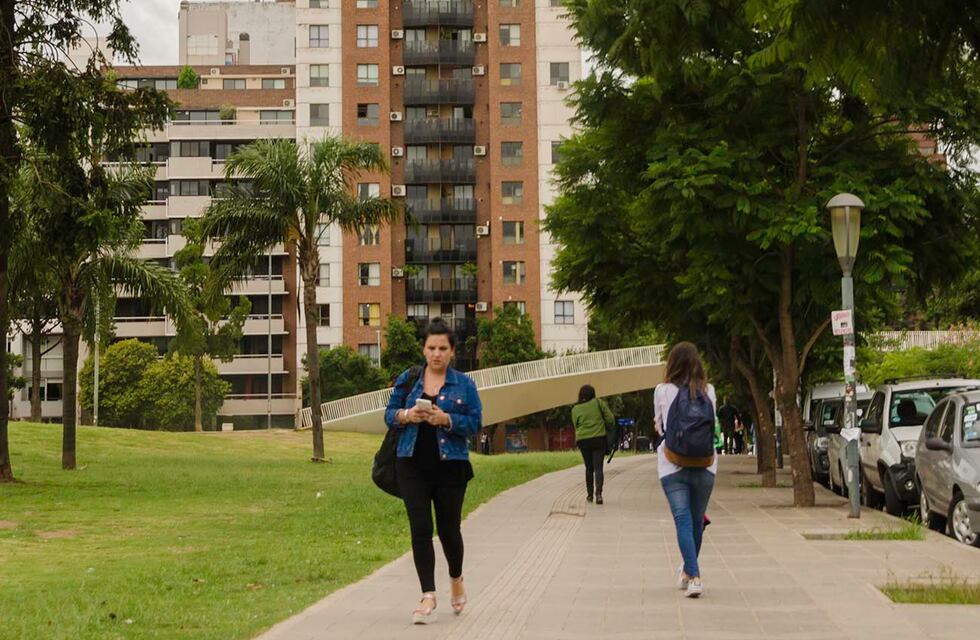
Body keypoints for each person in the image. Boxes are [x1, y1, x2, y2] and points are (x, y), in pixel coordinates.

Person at [384, 318, 483, 624]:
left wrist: (447, 420)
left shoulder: (464, 384)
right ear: (423, 350)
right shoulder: (409, 379)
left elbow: (475, 423)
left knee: (449, 530)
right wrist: (407, 415)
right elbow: (389, 414)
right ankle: (428, 595)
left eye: (442, 348)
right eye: (431, 348)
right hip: (411, 463)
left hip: (450, 466)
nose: (436, 354)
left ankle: (456, 579)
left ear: (452, 351)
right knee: (420, 528)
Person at [654, 342, 717, 598]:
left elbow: (660, 428)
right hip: (705, 464)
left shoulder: (662, 390)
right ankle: (689, 572)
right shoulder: (709, 391)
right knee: (696, 520)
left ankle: (695, 576)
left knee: (683, 519)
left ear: (672, 364)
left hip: (672, 464)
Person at [571, 384, 614, 504]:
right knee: (598, 468)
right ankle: (598, 494)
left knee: (588, 468)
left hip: (583, 440)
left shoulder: (575, 409)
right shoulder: (598, 403)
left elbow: (576, 425)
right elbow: (610, 418)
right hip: (598, 438)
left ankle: (589, 495)